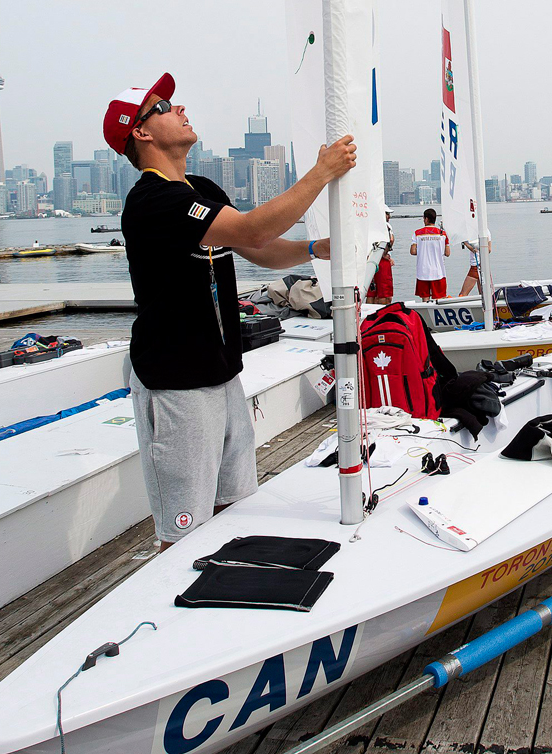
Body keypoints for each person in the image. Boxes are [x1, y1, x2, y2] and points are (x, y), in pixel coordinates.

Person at [104, 73, 356, 549]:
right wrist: (321, 173)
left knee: (235, 505)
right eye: (163, 107)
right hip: (175, 383)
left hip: (221, 375)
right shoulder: (154, 201)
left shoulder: (197, 187)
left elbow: (260, 250)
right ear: (140, 132)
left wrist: (315, 248)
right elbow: (253, 231)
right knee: (183, 531)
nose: (179, 109)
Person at [410, 208, 449, 301]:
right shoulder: (443, 234)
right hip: (438, 272)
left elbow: (413, 251)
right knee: (439, 299)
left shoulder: (417, 233)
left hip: (423, 272)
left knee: (425, 299)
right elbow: (447, 253)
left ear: (426, 219)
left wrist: (422, 250)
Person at [366, 209, 394, 304]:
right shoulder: (385, 226)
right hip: (381, 261)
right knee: (385, 293)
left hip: (369, 260)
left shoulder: (369, 226)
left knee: (371, 292)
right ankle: (383, 313)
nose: (389, 216)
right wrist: (385, 254)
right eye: (387, 214)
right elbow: (390, 240)